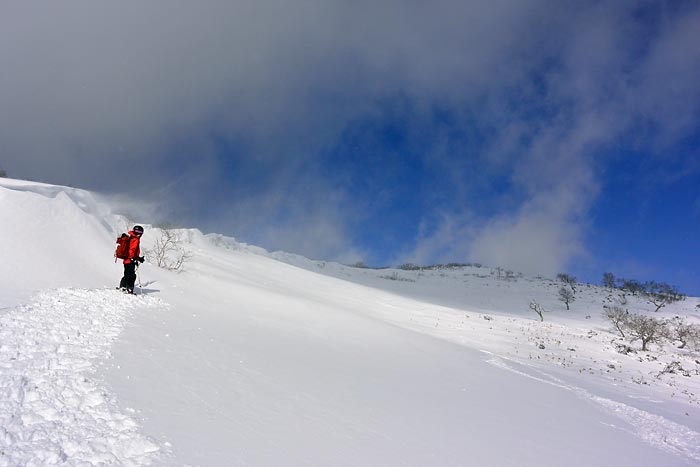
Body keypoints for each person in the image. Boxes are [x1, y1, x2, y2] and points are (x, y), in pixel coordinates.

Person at [119, 225, 145, 294]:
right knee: (131, 275)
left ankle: (123, 286)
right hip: (130, 260)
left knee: (127, 274)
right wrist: (133, 258)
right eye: (139, 232)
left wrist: (138, 258)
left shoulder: (132, 238)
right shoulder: (135, 239)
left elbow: (133, 251)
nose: (140, 234)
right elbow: (132, 250)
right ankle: (129, 288)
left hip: (127, 260)